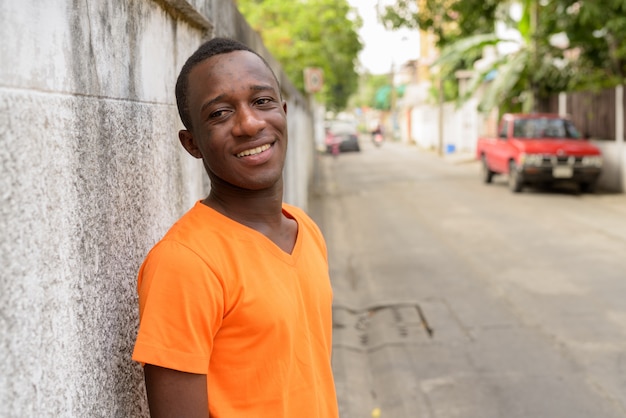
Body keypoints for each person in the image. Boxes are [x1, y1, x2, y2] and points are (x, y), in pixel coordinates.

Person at [132, 37, 339, 417]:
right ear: (191, 143)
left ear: (284, 111)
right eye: (220, 114)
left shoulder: (304, 229)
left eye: (262, 101)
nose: (249, 123)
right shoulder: (185, 263)